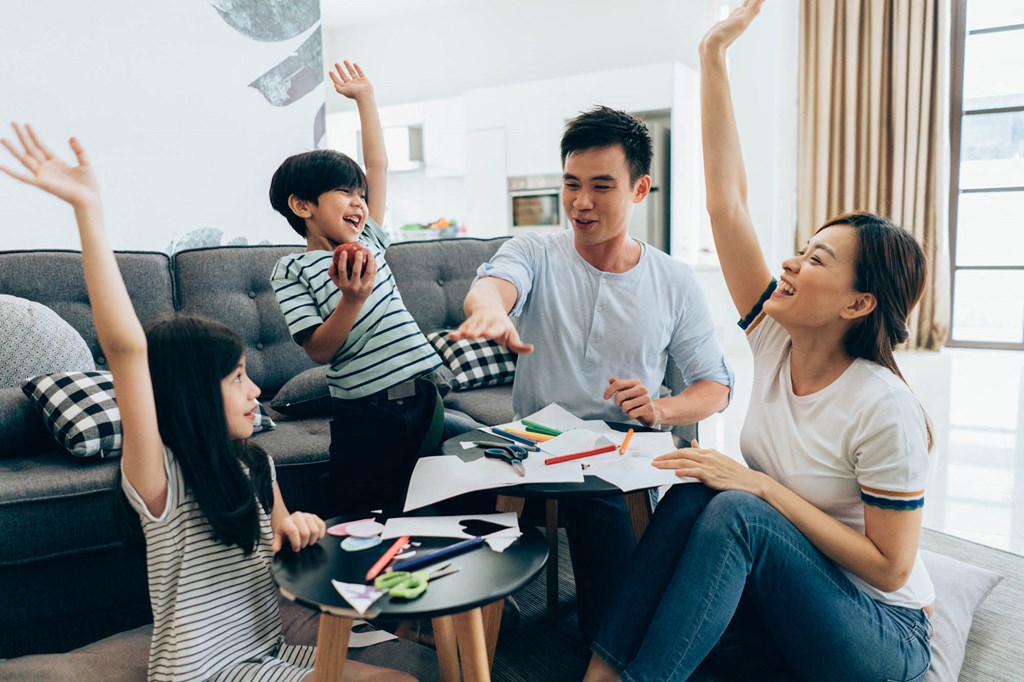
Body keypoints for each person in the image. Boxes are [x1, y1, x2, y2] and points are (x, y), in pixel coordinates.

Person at [584, 2, 934, 680]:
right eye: (803, 248)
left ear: (859, 303)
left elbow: (891, 565)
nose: (793, 263)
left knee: (740, 508)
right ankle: (603, 671)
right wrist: (714, 56)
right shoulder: (778, 339)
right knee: (691, 491)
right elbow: (728, 205)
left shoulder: (882, 406)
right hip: (799, 599)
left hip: (878, 633)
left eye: (819, 260)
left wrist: (758, 488)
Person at [0, 123, 419, 680]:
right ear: (191, 396)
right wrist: (87, 210)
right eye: (237, 378)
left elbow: (282, 532)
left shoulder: (256, 463)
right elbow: (126, 351)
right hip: (206, 671)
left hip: (268, 645)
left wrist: (300, 528)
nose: (255, 392)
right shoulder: (160, 482)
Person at [451, 105, 733, 640]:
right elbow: (496, 282)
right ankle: (467, 624)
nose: (581, 203)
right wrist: (487, 307)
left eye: (602, 186)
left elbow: (715, 387)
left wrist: (659, 408)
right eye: (572, 184)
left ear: (640, 189)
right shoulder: (534, 250)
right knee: (444, 454)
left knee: (608, 571)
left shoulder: (673, 279)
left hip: (617, 450)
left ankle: (605, 647)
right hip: (532, 444)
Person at [269, 61, 475, 517]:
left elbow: (378, 165)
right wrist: (352, 299)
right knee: (364, 512)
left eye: (361, 195)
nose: (359, 202)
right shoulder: (292, 270)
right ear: (302, 205)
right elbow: (320, 351)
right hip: (365, 416)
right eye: (345, 193)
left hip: (423, 397)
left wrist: (365, 99)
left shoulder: (369, 242)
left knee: (437, 502)